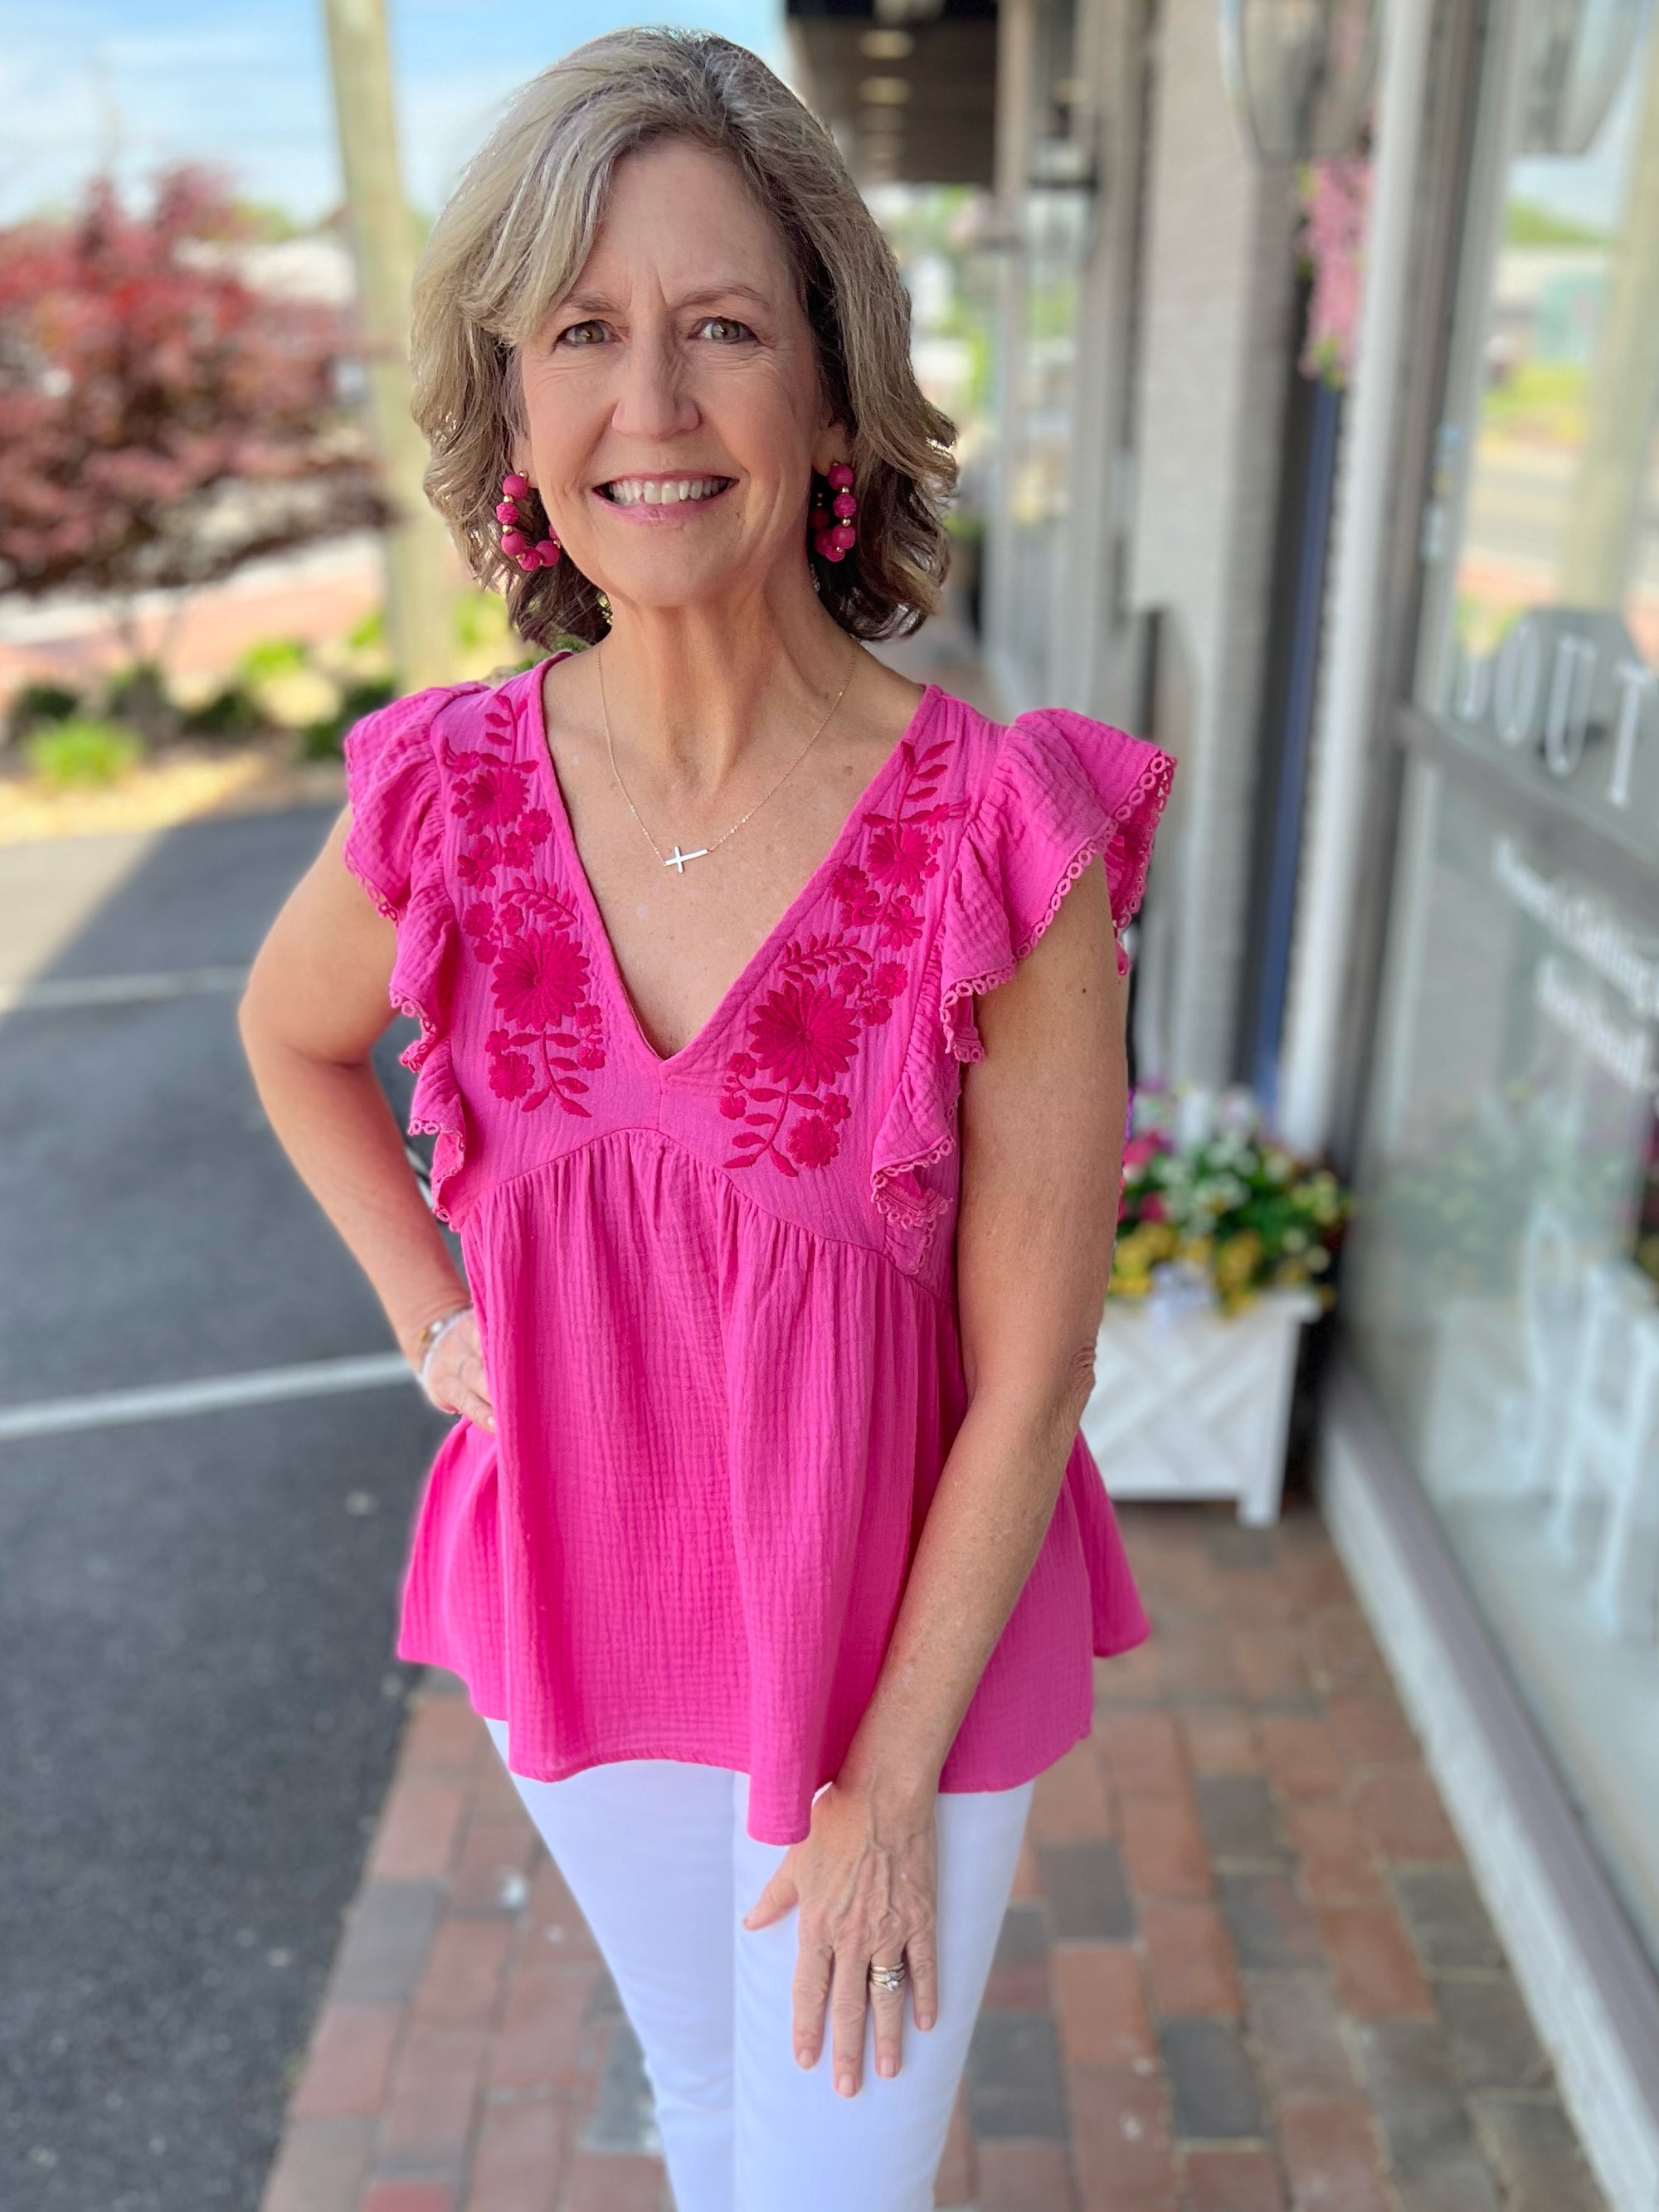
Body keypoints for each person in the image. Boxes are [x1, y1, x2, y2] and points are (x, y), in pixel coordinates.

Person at [237, 28, 1174, 2212]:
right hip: (585, 1612)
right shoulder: (447, 799)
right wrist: (422, 1307)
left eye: (721, 328)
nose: (647, 405)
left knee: (831, 2184)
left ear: (832, 400)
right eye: (584, 333)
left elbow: (1033, 1372)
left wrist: (879, 1790)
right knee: (720, 2119)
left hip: (892, 1669)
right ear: (518, 409)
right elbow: (289, 1048)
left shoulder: (992, 835)